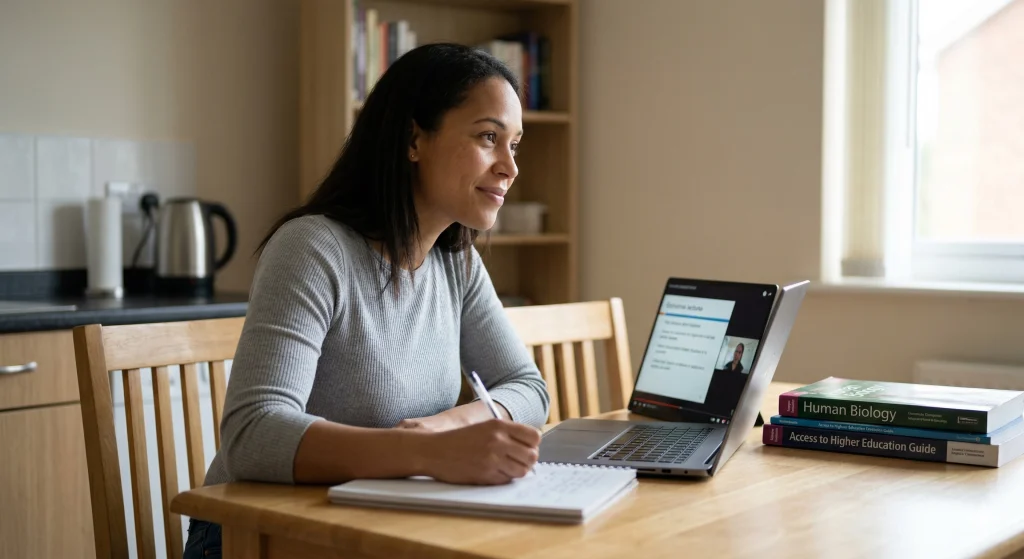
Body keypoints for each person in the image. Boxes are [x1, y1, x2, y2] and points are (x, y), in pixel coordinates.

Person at [183, 43, 550, 559]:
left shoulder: (456, 262)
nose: (510, 167)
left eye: (515, 145)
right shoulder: (313, 247)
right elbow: (252, 432)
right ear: (413, 139)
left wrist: (449, 427)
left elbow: (530, 389)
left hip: (381, 527)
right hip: (258, 537)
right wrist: (426, 452)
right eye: (489, 137)